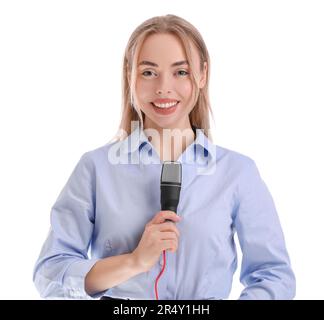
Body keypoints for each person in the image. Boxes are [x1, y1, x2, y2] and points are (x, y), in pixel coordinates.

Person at [33, 14, 296, 300]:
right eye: (148, 72)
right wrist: (133, 261)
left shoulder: (237, 172)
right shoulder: (96, 168)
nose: (163, 88)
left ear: (202, 74)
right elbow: (51, 273)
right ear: (129, 76)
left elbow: (274, 276)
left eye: (180, 72)